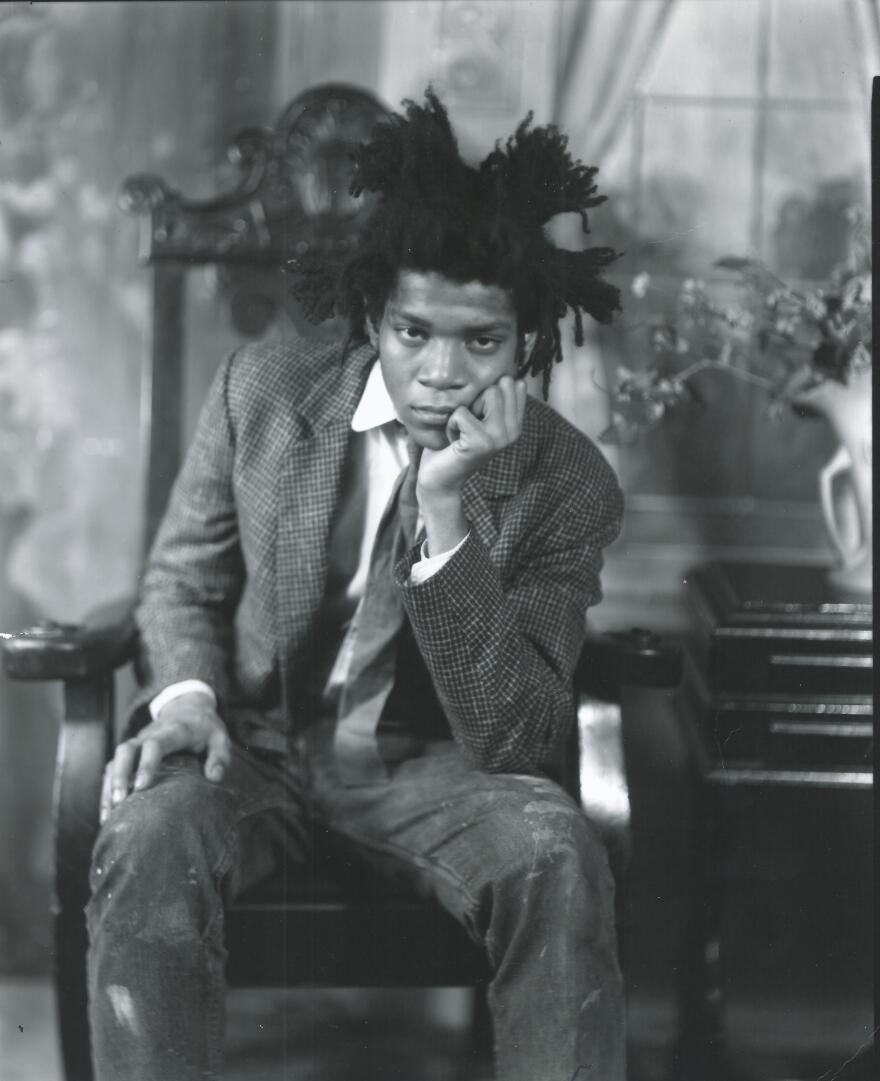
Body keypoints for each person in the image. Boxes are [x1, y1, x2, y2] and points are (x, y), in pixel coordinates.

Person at [86, 88, 626, 1081]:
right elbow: (181, 580)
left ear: (526, 345)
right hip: (253, 745)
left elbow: (512, 738)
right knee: (149, 830)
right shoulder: (261, 391)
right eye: (414, 332)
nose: (439, 373)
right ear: (374, 316)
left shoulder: (568, 481)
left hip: (438, 767)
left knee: (558, 854)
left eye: (480, 341)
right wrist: (189, 699)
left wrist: (449, 509)